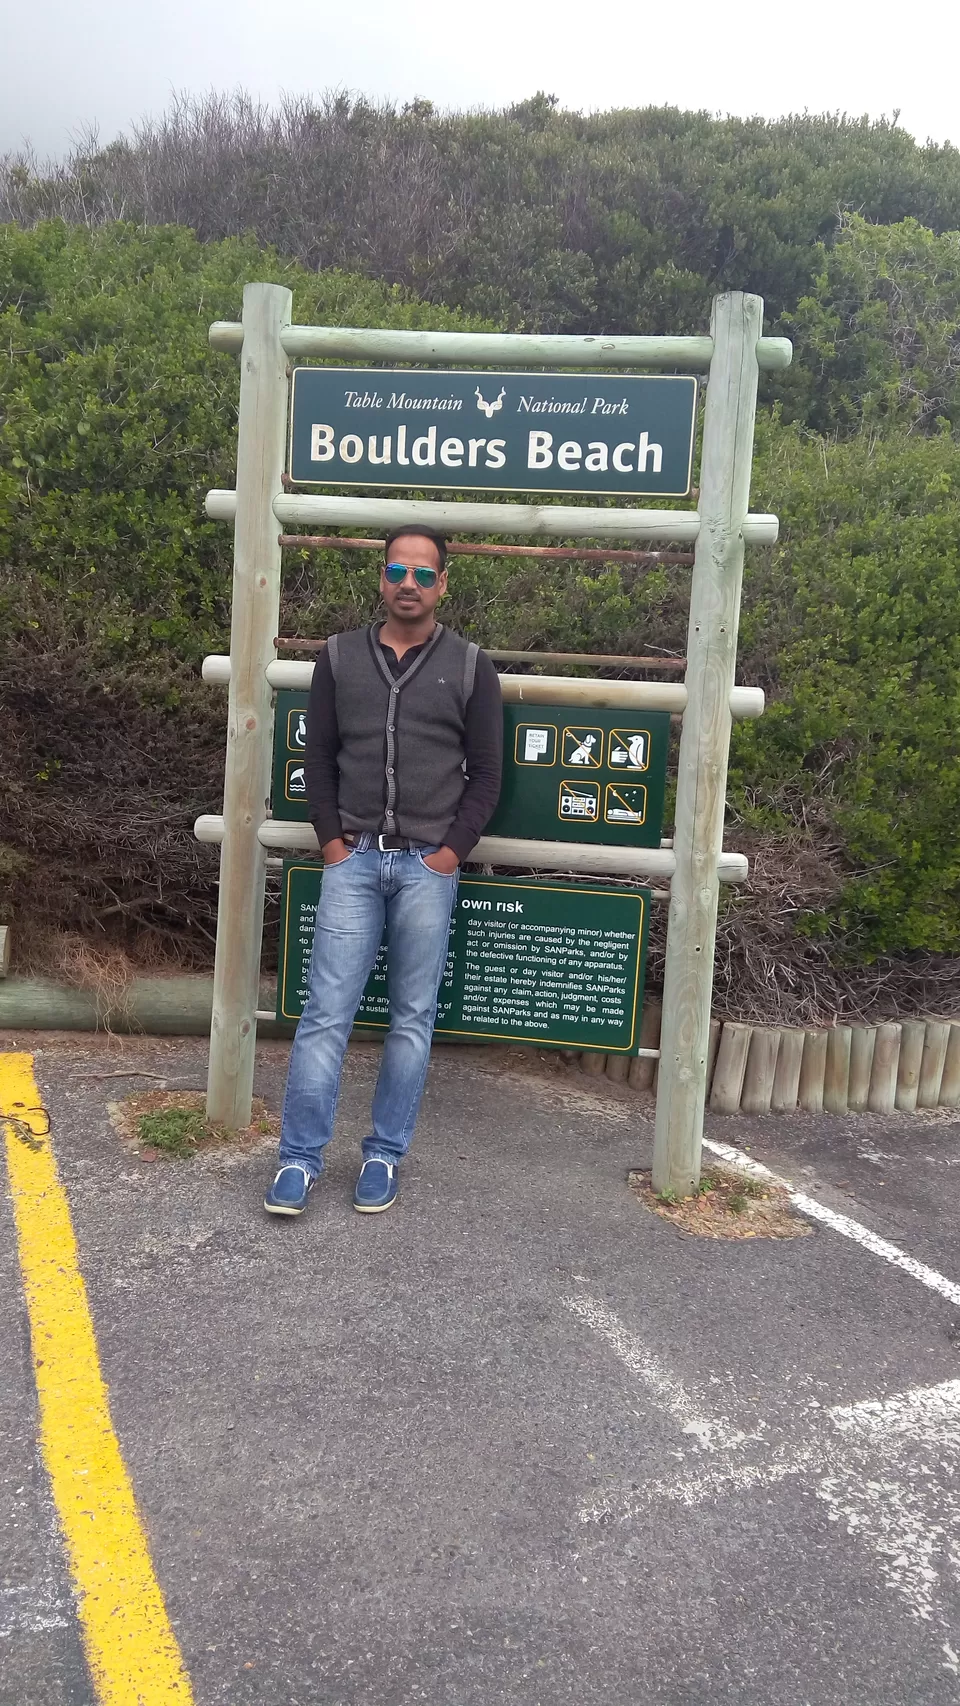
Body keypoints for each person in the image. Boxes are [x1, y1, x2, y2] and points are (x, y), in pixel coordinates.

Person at [265, 526, 503, 1218]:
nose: (409, 584)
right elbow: (319, 761)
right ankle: (298, 1161)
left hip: (429, 865)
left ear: (442, 585)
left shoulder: (469, 666)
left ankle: (382, 1155)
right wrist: (332, 844)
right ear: (381, 578)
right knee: (324, 1015)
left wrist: (450, 853)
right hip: (353, 860)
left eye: (423, 575)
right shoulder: (338, 657)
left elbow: (487, 774)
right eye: (398, 570)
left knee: (410, 1019)